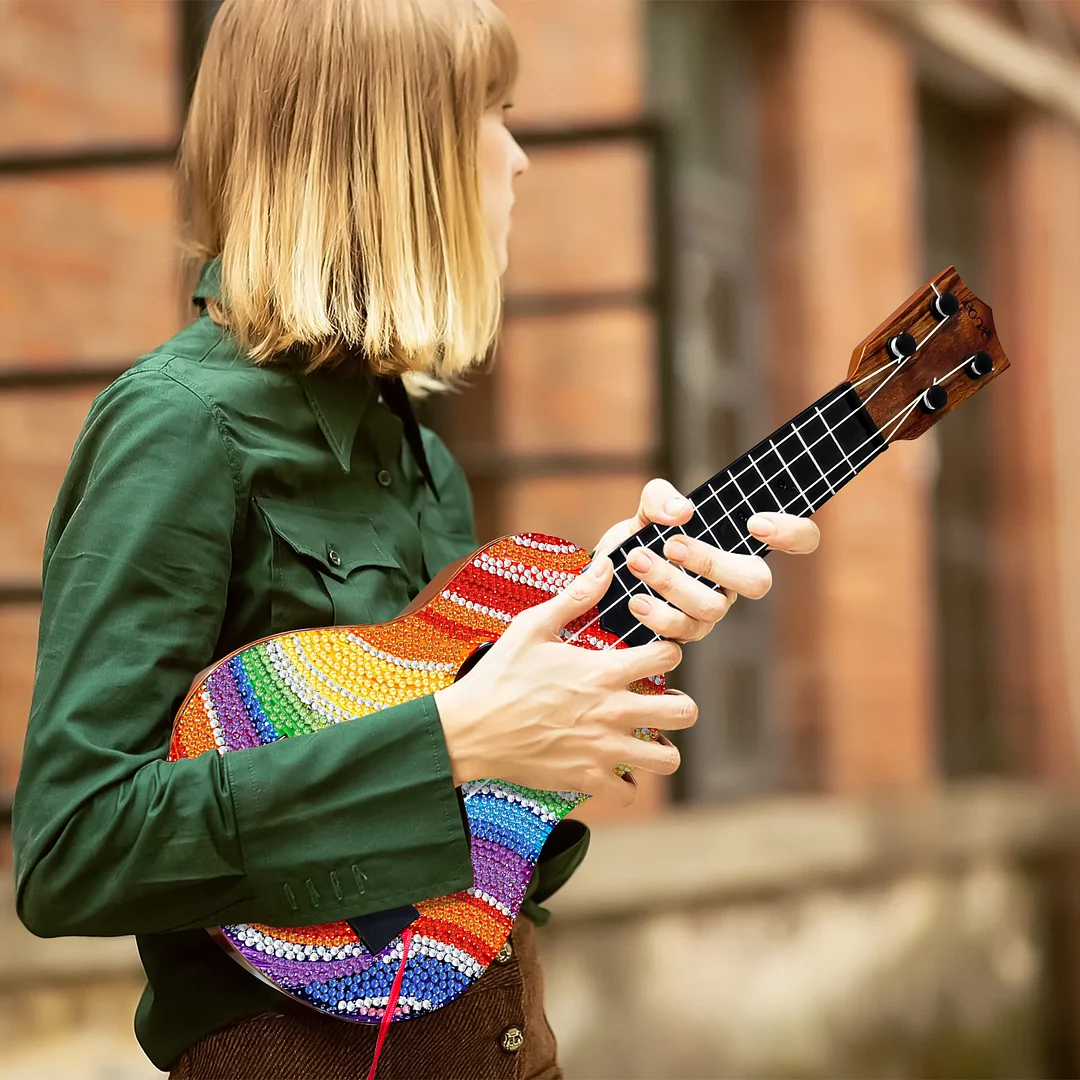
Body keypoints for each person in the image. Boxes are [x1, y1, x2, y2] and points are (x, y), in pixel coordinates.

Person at [11, 1, 820, 1077]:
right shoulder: (179, 426)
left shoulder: (422, 453)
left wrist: (595, 643)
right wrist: (453, 739)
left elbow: (454, 848)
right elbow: (73, 849)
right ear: (393, 149)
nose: (520, 157)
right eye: (495, 113)